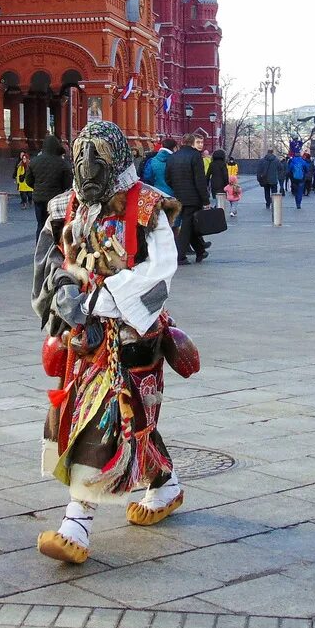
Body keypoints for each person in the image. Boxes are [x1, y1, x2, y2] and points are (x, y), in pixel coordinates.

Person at [32, 119, 193, 564]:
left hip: (130, 336)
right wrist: (61, 294)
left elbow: (161, 271)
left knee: (103, 418)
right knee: (129, 417)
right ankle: (166, 485)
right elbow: (50, 263)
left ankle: (76, 525)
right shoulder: (66, 209)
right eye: (81, 156)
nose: (87, 168)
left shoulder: (147, 207)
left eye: (97, 158)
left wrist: (102, 300)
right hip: (82, 338)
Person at [166, 134, 211, 264]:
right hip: (193, 197)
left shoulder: (173, 157)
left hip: (179, 195)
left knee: (189, 224)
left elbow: (167, 177)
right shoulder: (195, 156)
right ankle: (180, 256)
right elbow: (200, 180)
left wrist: (176, 188)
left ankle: (200, 251)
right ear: (192, 143)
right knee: (187, 226)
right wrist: (205, 200)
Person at [30, 134, 74, 231]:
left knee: (40, 224)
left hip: (39, 198)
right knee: (55, 226)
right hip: (55, 199)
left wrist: (37, 187)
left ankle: (40, 245)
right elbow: (67, 182)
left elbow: (28, 180)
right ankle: (53, 245)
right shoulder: (62, 163)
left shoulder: (34, 161)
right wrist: (61, 189)